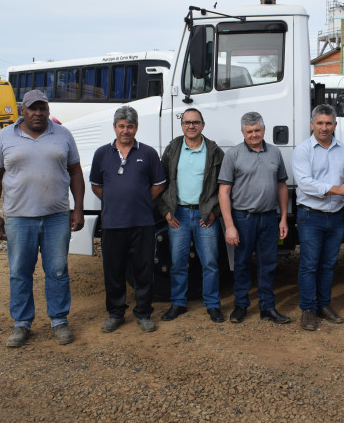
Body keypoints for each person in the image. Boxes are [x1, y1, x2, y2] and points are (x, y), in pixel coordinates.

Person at [0, 89, 85, 348]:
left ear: (48, 110)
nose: (38, 113)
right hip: (19, 218)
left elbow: (75, 172)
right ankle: (21, 324)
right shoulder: (4, 137)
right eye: (33, 108)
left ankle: (59, 320)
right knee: (20, 272)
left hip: (56, 217)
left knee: (57, 270)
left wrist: (78, 209)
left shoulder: (63, 135)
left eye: (43, 108)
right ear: (23, 111)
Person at [90, 106, 166, 333]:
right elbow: (96, 185)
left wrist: (140, 199)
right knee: (113, 270)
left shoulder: (149, 153)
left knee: (143, 271)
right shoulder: (102, 153)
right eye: (121, 126)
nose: (126, 130)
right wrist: (115, 201)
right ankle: (115, 314)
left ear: (136, 128)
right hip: (113, 223)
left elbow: (159, 184)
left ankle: (143, 313)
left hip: (142, 222)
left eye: (130, 126)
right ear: (115, 127)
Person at [218, 112, 291, 324]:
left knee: (269, 263)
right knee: (241, 263)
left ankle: (267, 307)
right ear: (243, 132)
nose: (254, 135)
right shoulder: (233, 155)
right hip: (243, 218)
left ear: (264, 129)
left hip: (269, 218)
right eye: (249, 131)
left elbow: (282, 186)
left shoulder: (275, 153)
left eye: (257, 130)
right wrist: (229, 226)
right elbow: (223, 192)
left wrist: (283, 218)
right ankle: (241, 305)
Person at [291, 104, 344, 331]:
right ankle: (308, 309)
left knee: (328, 265)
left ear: (335, 125)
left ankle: (324, 305)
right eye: (319, 123)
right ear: (312, 124)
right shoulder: (302, 150)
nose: (324, 127)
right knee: (309, 264)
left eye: (329, 123)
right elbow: (305, 183)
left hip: (337, 217)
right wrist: (336, 190)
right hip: (311, 216)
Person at [157, 108, 225, 323]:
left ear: (203, 125)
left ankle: (213, 305)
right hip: (179, 215)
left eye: (195, 122)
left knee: (211, 263)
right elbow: (161, 182)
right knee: (178, 262)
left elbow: (224, 186)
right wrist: (166, 211)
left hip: (206, 216)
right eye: (187, 122)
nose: (191, 126)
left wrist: (215, 212)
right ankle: (178, 303)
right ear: (182, 125)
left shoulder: (214, 151)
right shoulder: (173, 148)